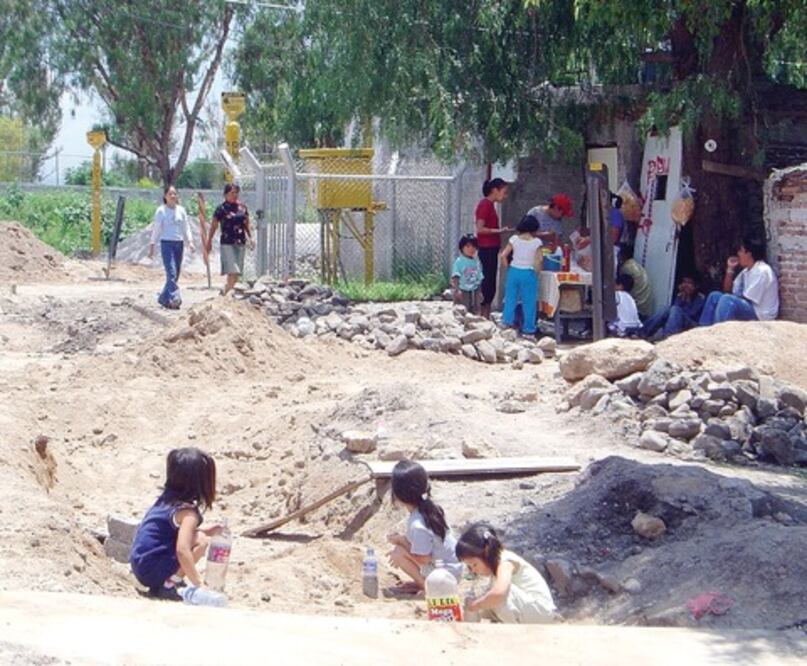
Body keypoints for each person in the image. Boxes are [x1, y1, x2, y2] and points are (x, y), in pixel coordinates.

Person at [129, 447, 221, 601]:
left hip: (141, 564)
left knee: (200, 535)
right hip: (152, 571)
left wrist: (205, 530)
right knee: (202, 541)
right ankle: (170, 584)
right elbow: (182, 550)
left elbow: (168, 531)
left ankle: (167, 581)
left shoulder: (166, 500)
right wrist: (199, 584)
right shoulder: (187, 513)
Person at [456, 523, 557, 624]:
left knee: (496, 596)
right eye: (470, 567)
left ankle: (514, 632)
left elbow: (500, 593)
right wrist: (473, 606)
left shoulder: (505, 562)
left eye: (474, 565)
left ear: (486, 552)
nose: (473, 570)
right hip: (530, 609)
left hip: (541, 611)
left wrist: (476, 605)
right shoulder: (497, 566)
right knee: (482, 600)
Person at [386, 460, 463, 593]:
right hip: (453, 569)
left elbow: (423, 558)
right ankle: (424, 582)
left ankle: (427, 587)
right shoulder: (431, 509)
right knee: (400, 550)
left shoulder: (417, 524)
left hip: (445, 575)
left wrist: (402, 541)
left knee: (398, 553)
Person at [699, 236, 779, 326]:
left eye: (741, 251)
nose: (738, 253)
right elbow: (727, 291)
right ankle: (703, 330)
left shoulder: (762, 271)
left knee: (727, 300)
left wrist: (730, 298)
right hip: (748, 306)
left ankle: (720, 333)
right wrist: (730, 269)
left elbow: (746, 299)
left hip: (760, 315)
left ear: (749, 254)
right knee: (714, 296)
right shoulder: (746, 271)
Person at [148, 185, 194, 309]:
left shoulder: (181, 210)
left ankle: (163, 298)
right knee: (171, 272)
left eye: (174, 194)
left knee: (176, 273)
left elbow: (186, 227)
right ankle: (175, 297)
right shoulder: (161, 211)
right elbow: (156, 229)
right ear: (165, 196)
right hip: (166, 243)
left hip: (179, 243)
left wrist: (190, 241)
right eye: (170, 194)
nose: (173, 196)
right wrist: (152, 245)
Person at [206, 183, 253, 296]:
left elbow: (246, 223)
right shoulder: (221, 209)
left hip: (240, 242)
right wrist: (209, 241)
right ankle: (229, 294)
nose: (235, 195)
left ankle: (226, 290)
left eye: (236, 192)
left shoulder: (242, 208)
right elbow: (214, 226)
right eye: (232, 193)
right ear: (225, 194)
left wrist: (251, 238)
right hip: (227, 243)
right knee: (233, 270)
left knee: (237, 271)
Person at [499, 214, 542, 337]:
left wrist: (508, 268)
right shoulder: (536, 242)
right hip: (528, 272)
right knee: (529, 302)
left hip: (514, 271)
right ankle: (528, 329)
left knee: (510, 298)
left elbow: (503, 255)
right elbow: (538, 260)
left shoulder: (514, 239)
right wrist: (536, 273)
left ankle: (506, 323)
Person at [475, 178, 510, 319]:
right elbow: (480, 228)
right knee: (488, 280)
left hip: (492, 247)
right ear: (495, 190)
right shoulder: (485, 205)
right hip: (486, 247)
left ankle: (486, 314)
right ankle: (483, 313)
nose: (505, 196)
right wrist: (498, 231)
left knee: (491, 280)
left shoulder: (490, 206)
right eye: (504, 192)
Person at [643, 275, 705, 340]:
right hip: (679, 322)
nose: (685, 285)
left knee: (675, 309)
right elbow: (673, 316)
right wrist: (681, 299)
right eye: (684, 282)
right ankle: (642, 333)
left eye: (689, 283)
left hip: (693, 325)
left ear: (696, 286)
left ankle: (668, 338)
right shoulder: (681, 295)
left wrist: (687, 299)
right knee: (665, 309)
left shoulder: (700, 298)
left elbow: (690, 314)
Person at [617, 243, 653, 318]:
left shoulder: (626, 268)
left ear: (622, 256)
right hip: (645, 305)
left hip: (638, 307)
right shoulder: (634, 264)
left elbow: (620, 287)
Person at [450, 234, 484, 314]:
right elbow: (455, 276)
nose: (471, 249)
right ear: (462, 247)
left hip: (474, 290)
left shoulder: (476, 262)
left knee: (475, 309)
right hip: (462, 290)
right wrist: (457, 290)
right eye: (468, 246)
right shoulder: (459, 262)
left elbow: (479, 278)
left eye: (473, 247)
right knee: (462, 310)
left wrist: (480, 292)